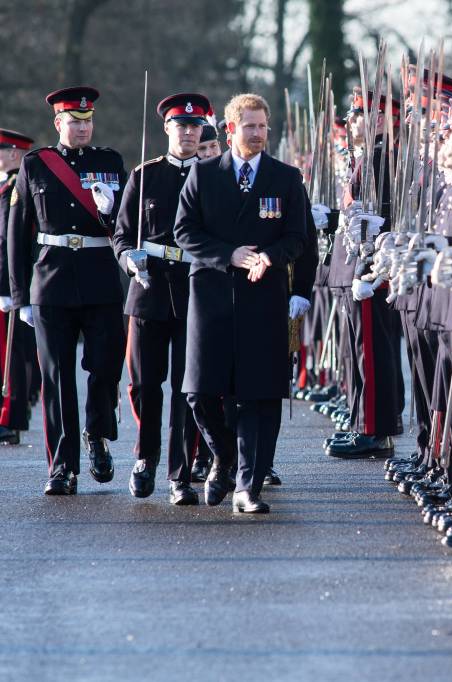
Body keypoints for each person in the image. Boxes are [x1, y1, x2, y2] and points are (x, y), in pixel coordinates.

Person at [173, 92, 307, 513]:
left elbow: (298, 236)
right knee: (199, 391)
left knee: (259, 394)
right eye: (250, 126)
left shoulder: (286, 178)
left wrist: (271, 256)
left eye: (263, 126)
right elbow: (184, 231)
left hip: (262, 298)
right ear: (231, 129)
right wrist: (227, 254)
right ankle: (225, 456)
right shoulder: (204, 174)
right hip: (211, 296)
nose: (258, 133)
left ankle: (249, 487)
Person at [7, 86, 127, 495]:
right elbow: (18, 233)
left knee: (106, 366)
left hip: (100, 279)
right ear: (58, 123)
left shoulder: (110, 162)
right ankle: (62, 466)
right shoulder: (36, 164)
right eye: (75, 122)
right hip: (52, 282)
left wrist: (111, 210)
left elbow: (126, 227)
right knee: (57, 377)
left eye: (87, 121)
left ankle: (97, 432)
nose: (83, 128)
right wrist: (20, 295)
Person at [112, 92, 214, 506]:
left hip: (194, 287)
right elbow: (121, 234)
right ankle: (145, 456)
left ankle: (180, 474)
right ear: (167, 128)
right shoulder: (145, 175)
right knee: (143, 383)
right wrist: (128, 259)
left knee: (187, 388)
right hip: (149, 286)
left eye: (195, 127)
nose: (188, 133)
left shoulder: (212, 177)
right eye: (181, 126)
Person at [0, 128, 35, 445]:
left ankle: (10, 416)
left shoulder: (15, 187)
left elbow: (8, 240)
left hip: (7, 283)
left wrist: (8, 287)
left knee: (9, 355)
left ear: (13, 153)